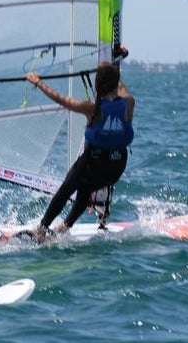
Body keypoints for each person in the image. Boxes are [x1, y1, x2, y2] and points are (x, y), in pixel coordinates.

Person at [24, 62, 134, 241]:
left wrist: (38, 82)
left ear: (97, 86)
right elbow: (120, 87)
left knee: (66, 189)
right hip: (115, 168)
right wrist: (111, 70)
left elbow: (61, 99)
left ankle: (42, 229)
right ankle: (65, 227)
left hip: (93, 164)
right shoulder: (129, 103)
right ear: (116, 83)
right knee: (86, 189)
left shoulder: (92, 109)